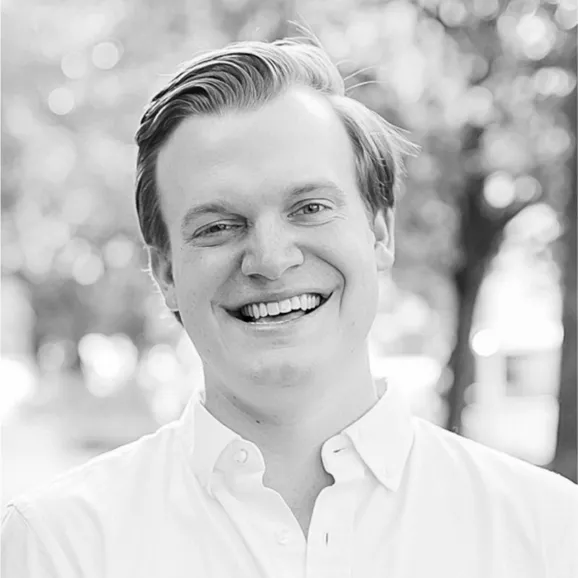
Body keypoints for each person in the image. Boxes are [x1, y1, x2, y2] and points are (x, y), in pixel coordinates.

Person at [2, 33, 577, 578]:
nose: (270, 260)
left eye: (309, 208)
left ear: (380, 232)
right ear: (167, 273)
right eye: (218, 226)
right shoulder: (58, 547)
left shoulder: (550, 534)